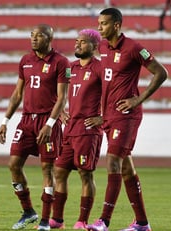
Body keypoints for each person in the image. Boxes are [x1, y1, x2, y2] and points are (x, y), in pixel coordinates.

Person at [87, 8, 168, 231]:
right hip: (109, 116)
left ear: (116, 25)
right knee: (126, 169)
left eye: (103, 23)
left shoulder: (133, 48)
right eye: (98, 23)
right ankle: (142, 223)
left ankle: (104, 221)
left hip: (127, 115)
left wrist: (137, 99)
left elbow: (161, 72)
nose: (99, 27)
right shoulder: (102, 47)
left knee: (112, 160)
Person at [0, 24, 70, 231]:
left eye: (39, 36)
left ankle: (45, 221)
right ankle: (28, 211)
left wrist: (50, 124)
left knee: (47, 169)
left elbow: (62, 97)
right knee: (13, 164)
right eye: (32, 35)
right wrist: (5, 121)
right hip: (27, 120)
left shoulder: (61, 62)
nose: (34, 39)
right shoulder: (25, 60)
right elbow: (17, 94)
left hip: (48, 121)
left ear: (49, 39)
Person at [49, 29, 103, 230]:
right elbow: (58, 92)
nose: (77, 45)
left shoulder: (100, 68)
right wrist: (60, 110)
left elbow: (113, 94)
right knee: (60, 171)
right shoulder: (71, 68)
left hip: (88, 131)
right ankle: (57, 220)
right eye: (76, 41)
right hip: (70, 129)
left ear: (95, 46)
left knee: (85, 174)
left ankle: (82, 220)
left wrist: (103, 117)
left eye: (83, 42)